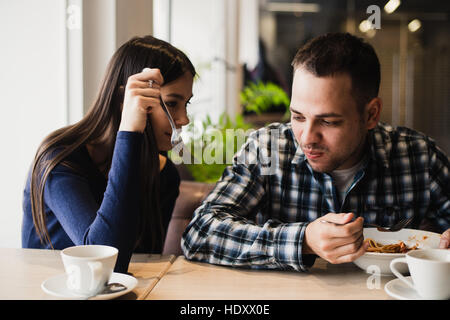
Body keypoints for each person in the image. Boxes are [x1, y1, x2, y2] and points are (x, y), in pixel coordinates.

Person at [181, 32, 450, 271]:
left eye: (328, 121)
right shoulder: (268, 148)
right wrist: (304, 240)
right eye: (298, 117)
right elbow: (200, 234)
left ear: (371, 114)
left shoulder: (418, 157)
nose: (307, 138)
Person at [22, 35, 195, 273]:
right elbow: (103, 257)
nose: (184, 119)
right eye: (173, 103)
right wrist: (130, 130)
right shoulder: (60, 159)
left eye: (186, 104)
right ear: (126, 101)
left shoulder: (163, 174)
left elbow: (141, 265)